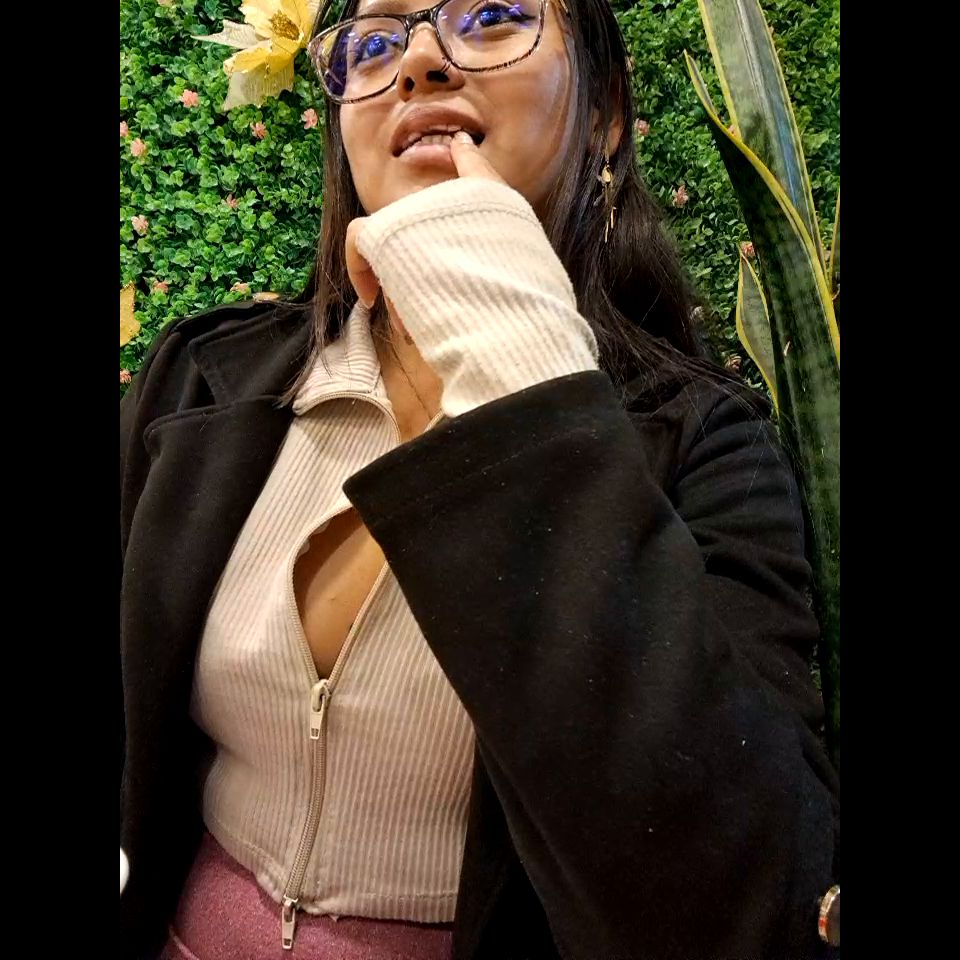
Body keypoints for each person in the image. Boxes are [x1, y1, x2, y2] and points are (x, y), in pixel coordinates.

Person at [119, 0, 841, 957]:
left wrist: (514, 352)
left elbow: (750, 906)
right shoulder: (202, 377)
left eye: (493, 16)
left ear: (604, 112)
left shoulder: (707, 447)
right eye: (375, 41)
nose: (419, 59)